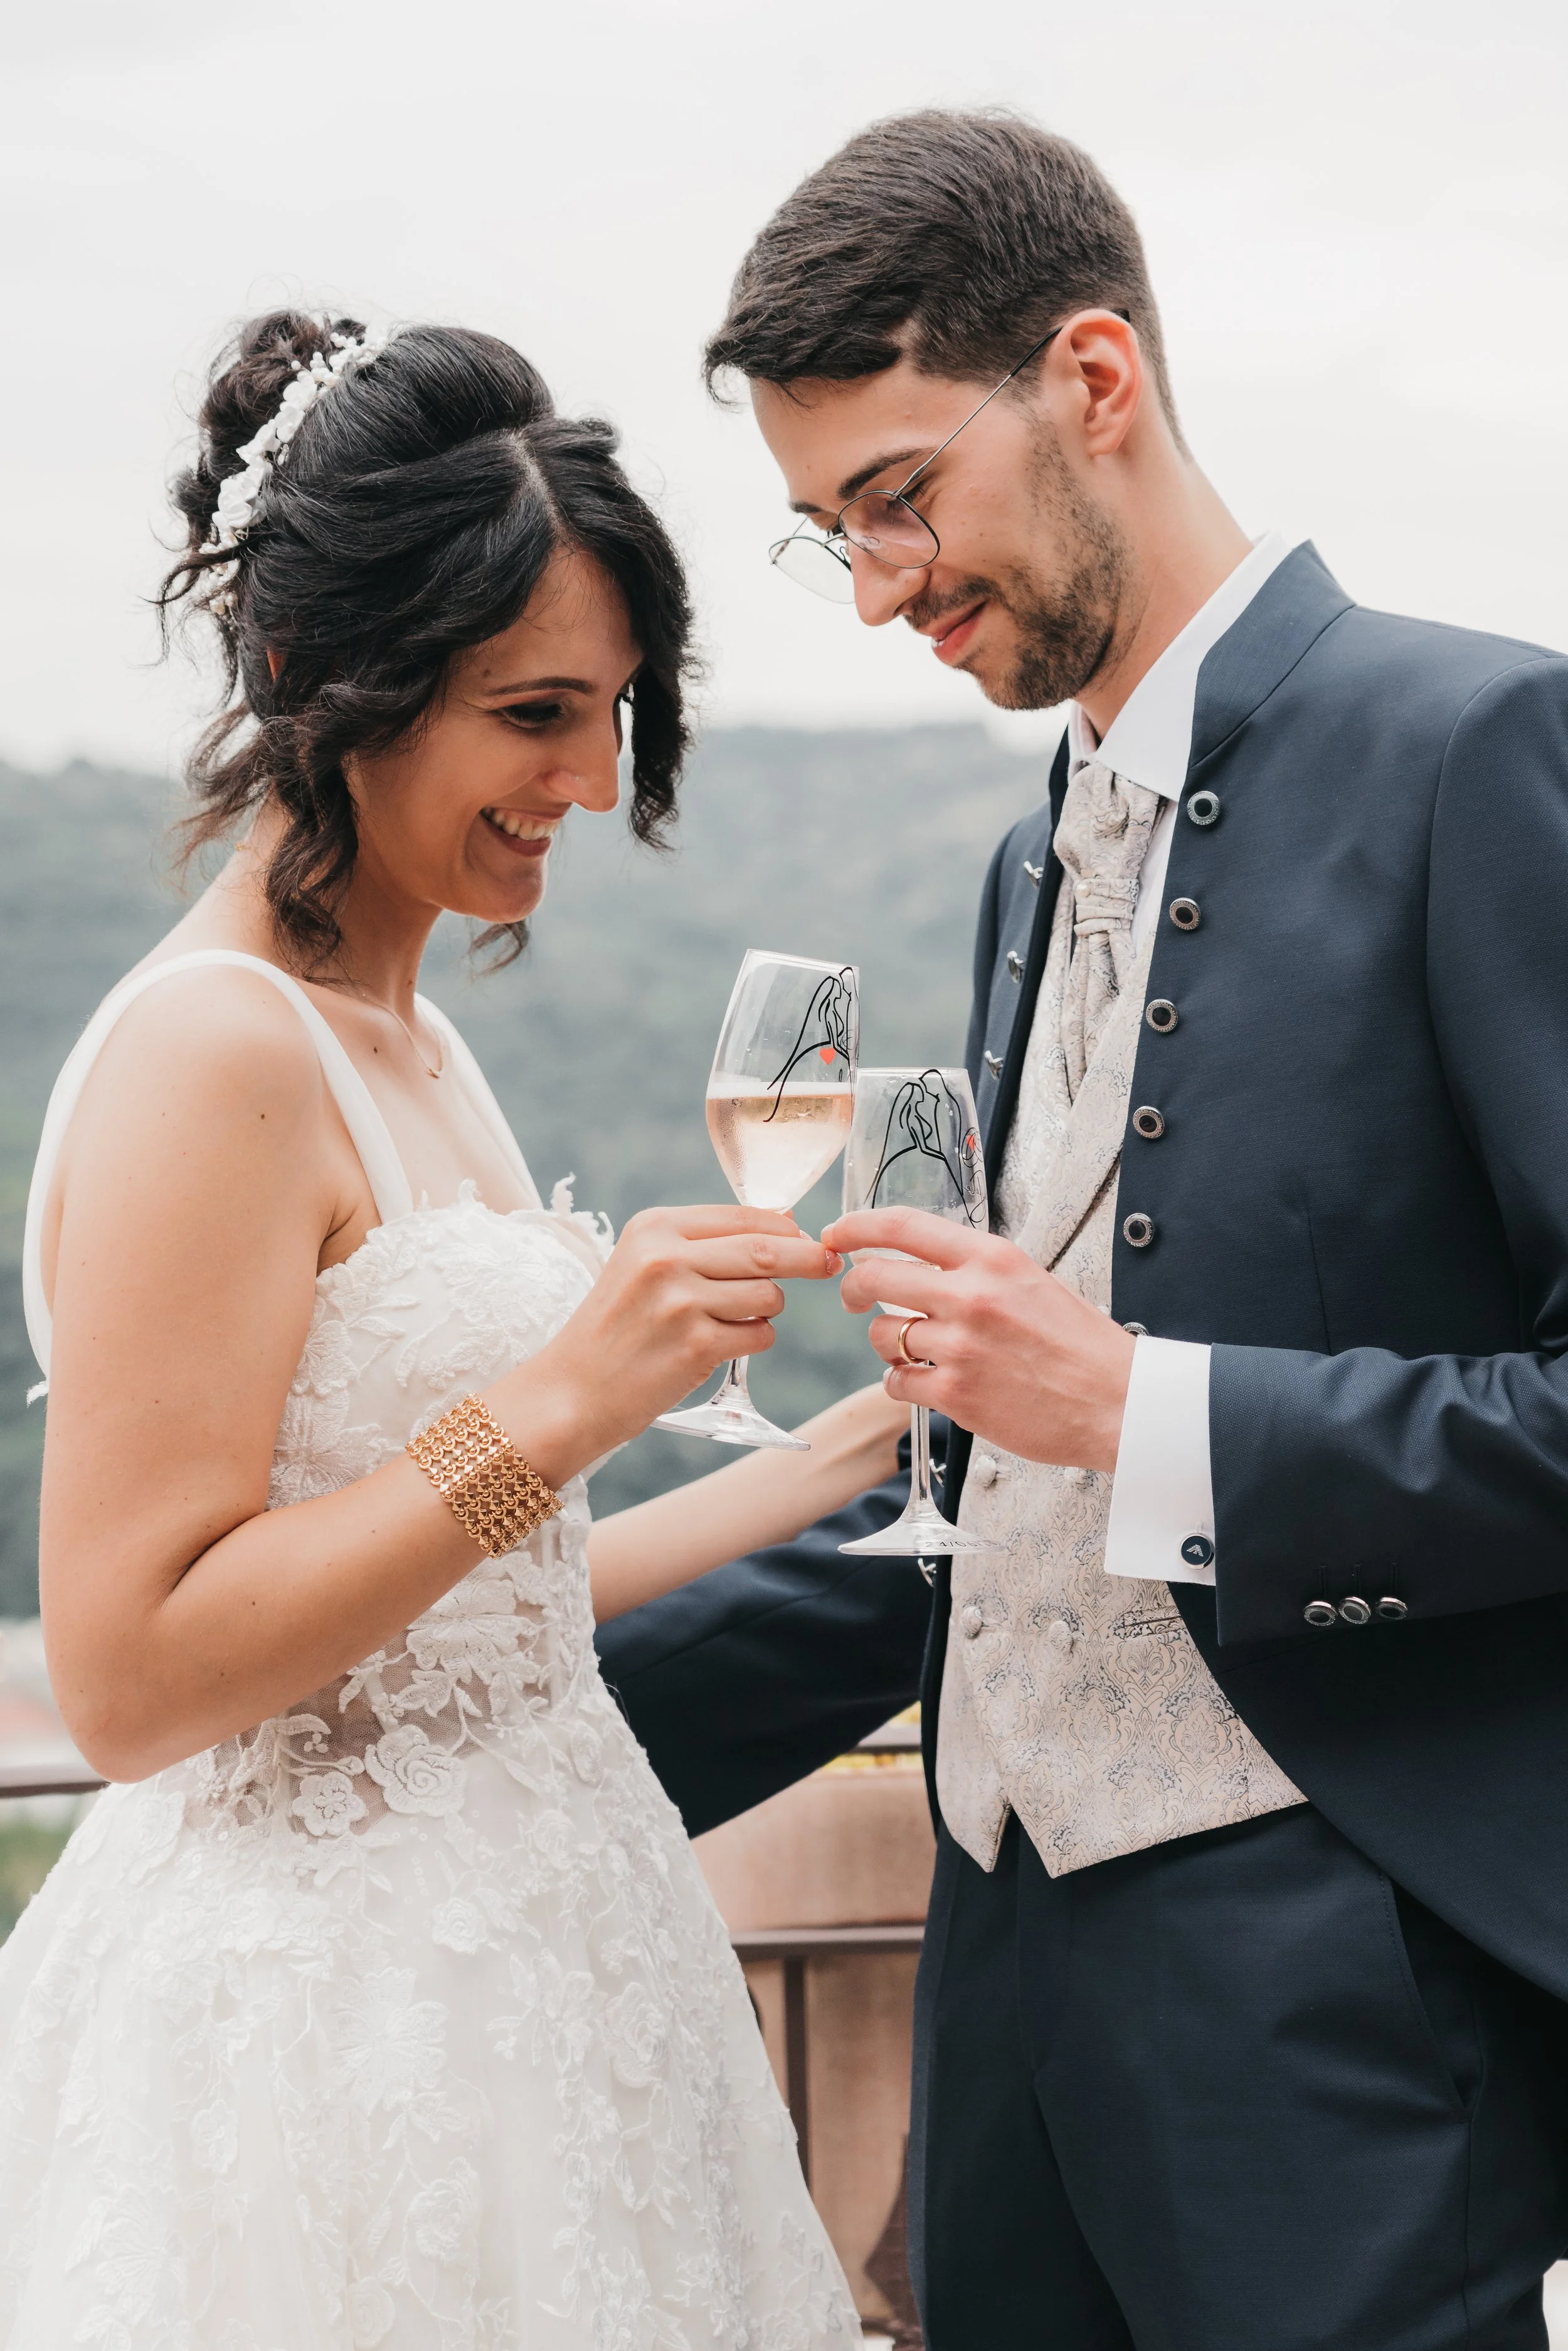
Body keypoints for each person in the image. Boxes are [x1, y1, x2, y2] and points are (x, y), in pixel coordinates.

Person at [595, 109, 1568, 2347]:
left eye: (898, 494)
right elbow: (995, 1505)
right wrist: (513, 1719)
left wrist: (1145, 1404)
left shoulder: (1482, 749)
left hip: (1334, 1989)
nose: (875, 586)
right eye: (828, 534)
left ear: (1094, 380)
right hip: (996, 1959)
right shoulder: (1025, 862)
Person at [0, 307, 896, 2347]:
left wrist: (857, 1449)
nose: (592, 778)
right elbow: (127, 1680)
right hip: (336, 2046)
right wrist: (569, 1393)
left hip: (566, 1983)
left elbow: (496, 1590)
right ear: (317, 674)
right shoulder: (215, 1051)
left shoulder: (410, 1036)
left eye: (617, 708)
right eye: (533, 713)